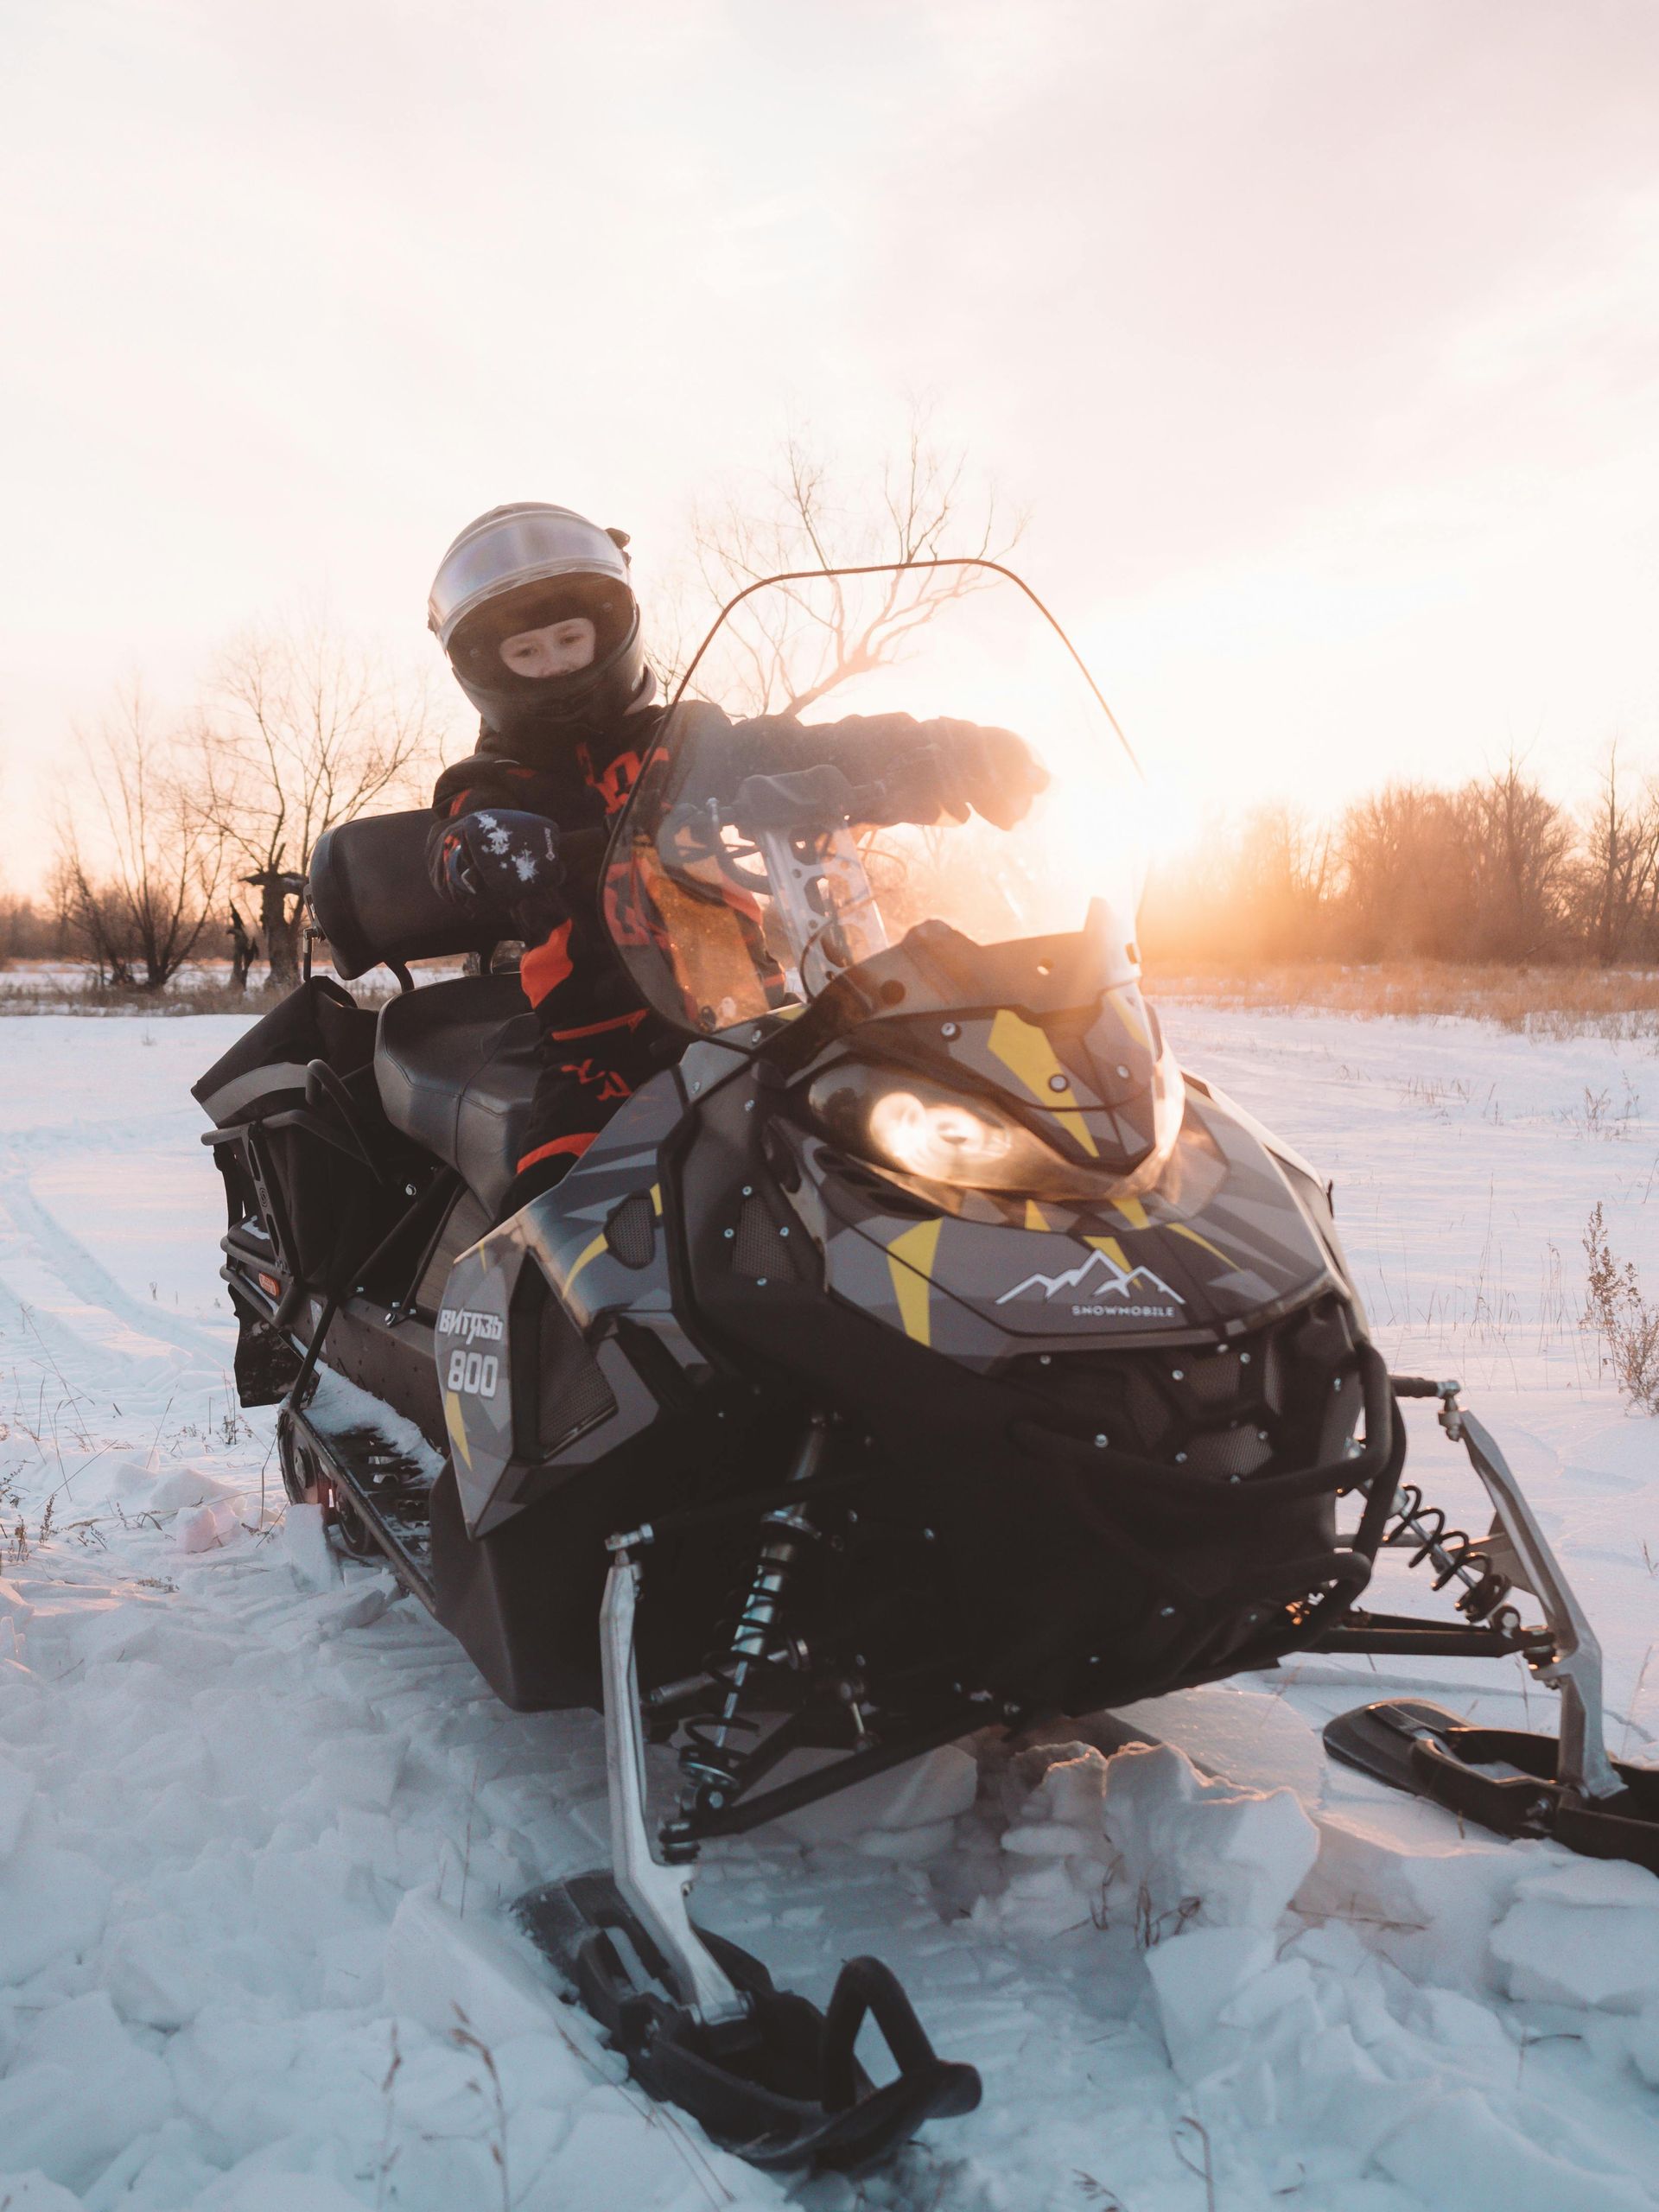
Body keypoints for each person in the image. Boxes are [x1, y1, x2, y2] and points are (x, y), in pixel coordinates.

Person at [425, 502, 1045, 1217]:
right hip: (600, 1052)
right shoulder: (490, 782)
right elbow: (451, 847)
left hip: (756, 1017)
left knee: (907, 1139)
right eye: (526, 653)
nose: (556, 663)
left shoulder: (693, 739)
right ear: (488, 670)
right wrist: (481, 849)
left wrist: (950, 752)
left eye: (570, 637)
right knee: (559, 1222)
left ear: (609, 632)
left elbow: (814, 748)